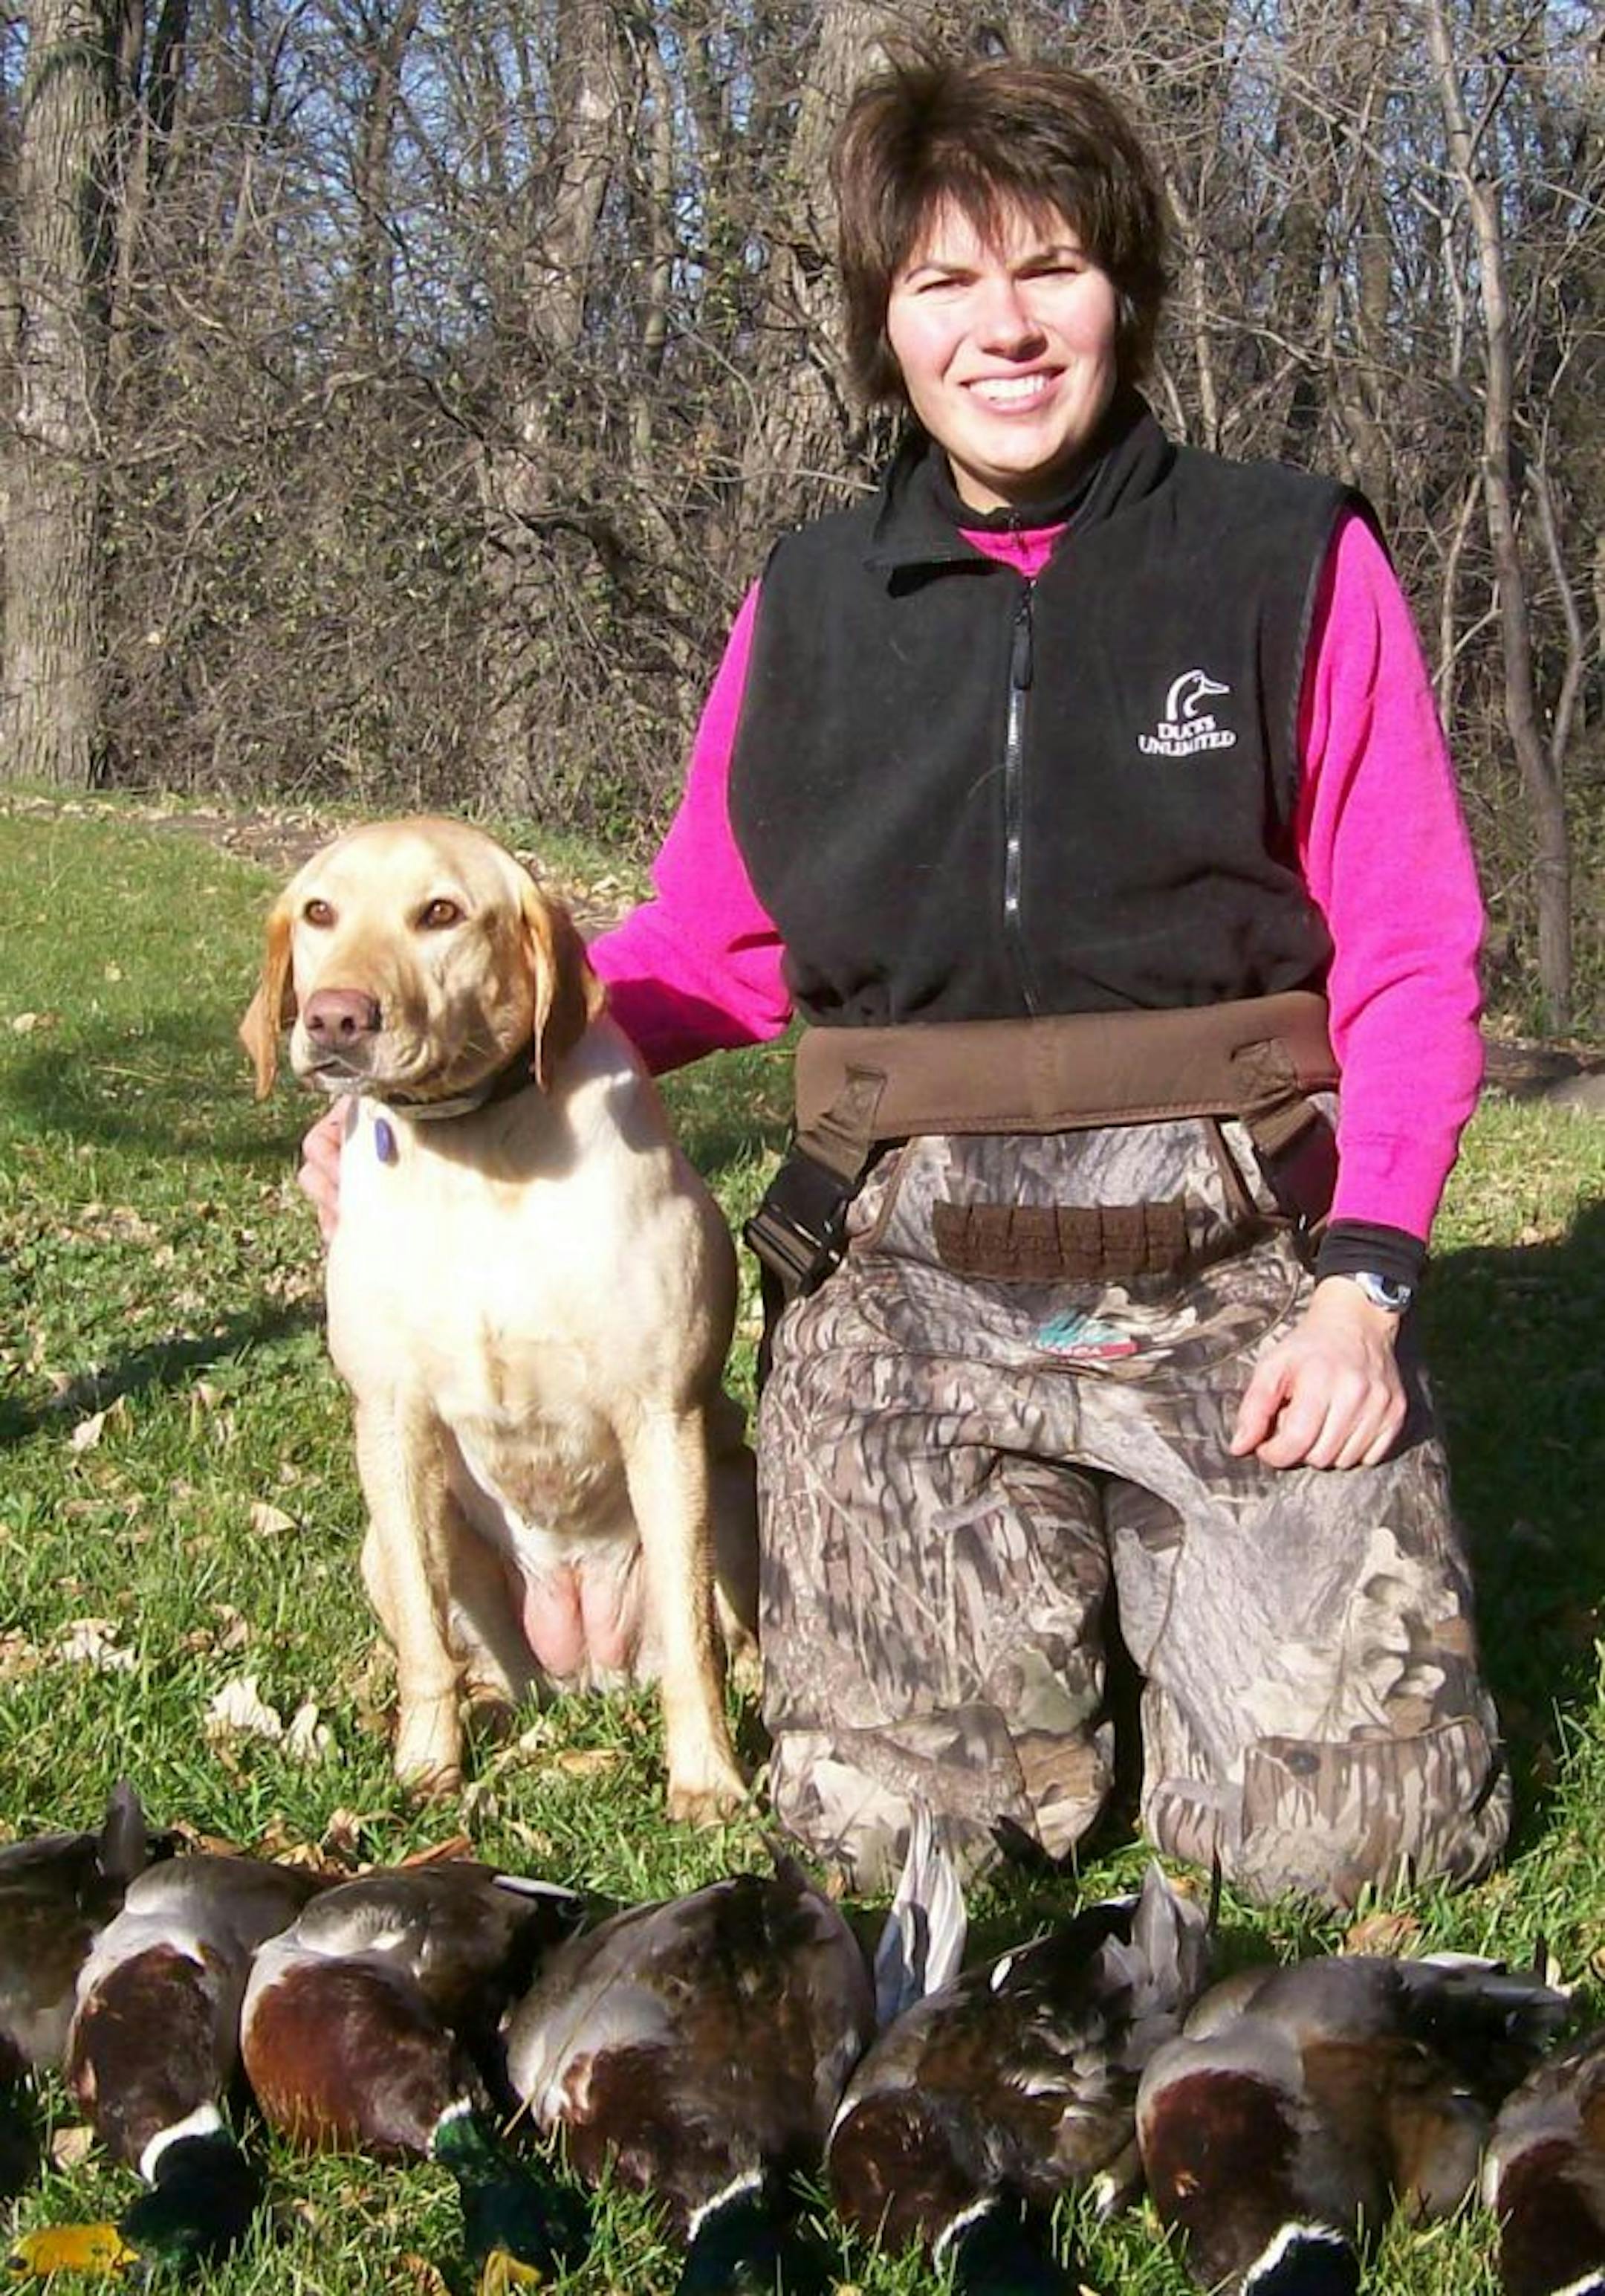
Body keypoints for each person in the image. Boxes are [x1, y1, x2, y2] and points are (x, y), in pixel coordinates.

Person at [301, 47, 1509, 1907]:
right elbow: (703, 949)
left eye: (1054, 271)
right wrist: (445, 1087)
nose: (1005, 329)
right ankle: (1086, 1607)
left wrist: (1365, 1290)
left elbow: (1417, 948)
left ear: (1128, 293)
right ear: (887, 326)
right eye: (945, 283)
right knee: (883, 1834)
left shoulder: (1285, 557)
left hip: (1239, 1263)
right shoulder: (809, 602)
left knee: (1349, 1843)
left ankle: (1175, 1591)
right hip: (911, 1269)